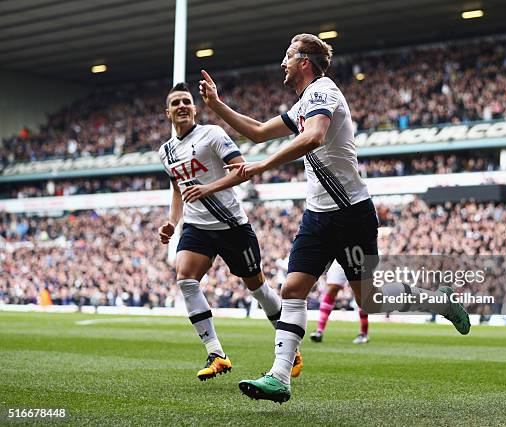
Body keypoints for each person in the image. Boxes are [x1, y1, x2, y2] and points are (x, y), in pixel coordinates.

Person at [199, 33, 470, 403]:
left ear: (304, 61)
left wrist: (264, 165)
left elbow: (313, 137)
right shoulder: (301, 104)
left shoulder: (323, 91)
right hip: (318, 216)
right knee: (293, 290)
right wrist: (217, 105)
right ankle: (280, 376)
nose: (282, 63)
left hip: (350, 214)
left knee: (369, 297)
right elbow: (259, 132)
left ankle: (440, 301)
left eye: (288, 56)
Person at [157, 82, 303, 382]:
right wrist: (173, 221)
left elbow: (241, 170)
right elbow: (177, 188)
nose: (182, 106)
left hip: (232, 226)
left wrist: (207, 188)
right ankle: (216, 354)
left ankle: (290, 345)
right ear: (167, 113)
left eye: (187, 101)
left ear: (194, 108)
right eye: (176, 103)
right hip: (197, 227)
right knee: (185, 278)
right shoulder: (166, 152)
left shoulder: (212, 134)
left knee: (257, 287)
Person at [310, 260, 370, 344]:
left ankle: (364, 333)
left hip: (358, 254)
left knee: (360, 292)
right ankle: (319, 331)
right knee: (332, 289)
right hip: (339, 255)